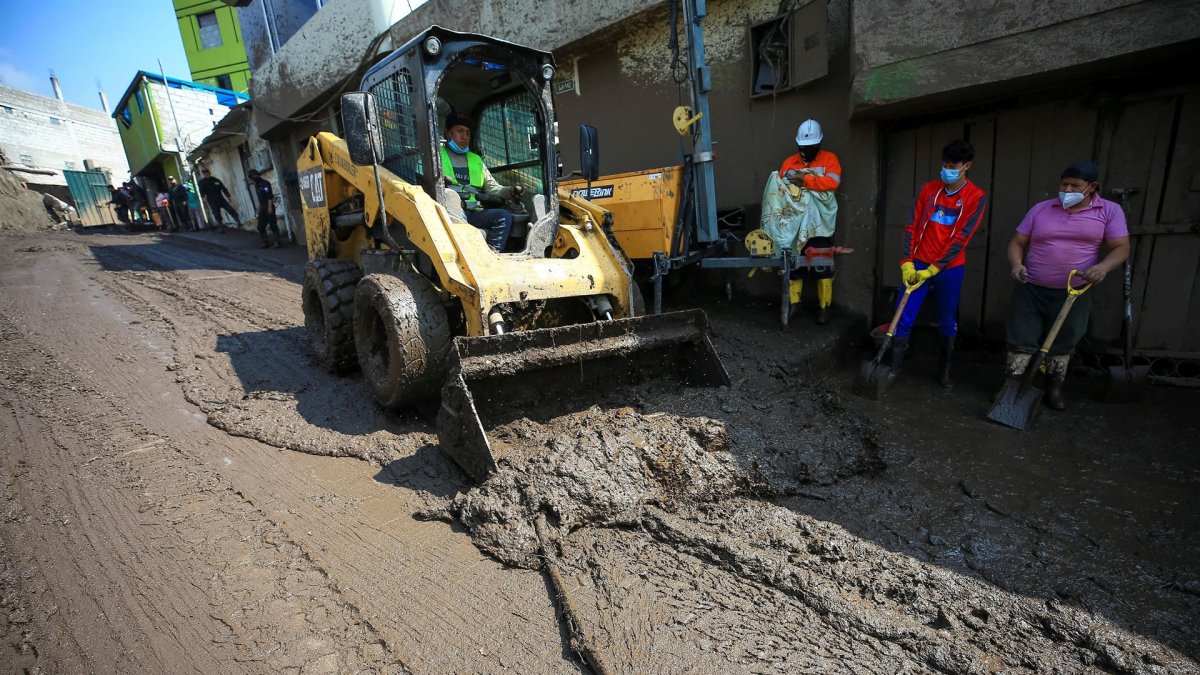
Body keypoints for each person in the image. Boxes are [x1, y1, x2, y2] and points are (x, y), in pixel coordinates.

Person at [1004, 160, 1129, 410]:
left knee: (1064, 341)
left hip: (1075, 291)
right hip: (1032, 287)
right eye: (1064, 184)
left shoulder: (1109, 211)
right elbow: (1017, 242)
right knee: (1021, 338)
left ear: (1092, 187)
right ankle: (1011, 389)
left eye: (1075, 185)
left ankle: (1054, 389)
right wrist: (1017, 265)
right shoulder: (1041, 209)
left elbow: (1121, 248)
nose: (1068, 189)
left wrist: (1103, 268)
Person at [892, 139, 989, 387]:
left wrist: (937, 267)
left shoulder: (976, 197)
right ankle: (893, 368)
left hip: (949, 268)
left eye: (953, 165)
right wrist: (907, 262)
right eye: (944, 165)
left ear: (967, 166)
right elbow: (912, 226)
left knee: (947, 318)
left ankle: (943, 372)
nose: (947, 170)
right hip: (918, 263)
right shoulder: (929, 190)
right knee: (903, 315)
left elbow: (962, 237)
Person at [761, 119, 842, 324]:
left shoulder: (830, 160)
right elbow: (779, 192)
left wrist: (804, 180)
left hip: (820, 223)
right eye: (803, 147)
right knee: (793, 262)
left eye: (810, 147)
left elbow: (832, 182)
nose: (806, 151)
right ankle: (794, 305)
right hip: (794, 223)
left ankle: (825, 308)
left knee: (822, 262)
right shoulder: (789, 163)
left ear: (819, 144)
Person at [440, 111, 525, 250]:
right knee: (458, 218)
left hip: (475, 212)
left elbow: (493, 188)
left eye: (468, 133)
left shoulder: (476, 160)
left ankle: (493, 254)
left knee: (503, 216)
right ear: (448, 133)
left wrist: (510, 190)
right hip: (449, 212)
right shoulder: (435, 156)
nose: (464, 136)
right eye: (460, 131)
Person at [198, 168, 240, 233]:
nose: (206, 174)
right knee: (216, 214)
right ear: (203, 174)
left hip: (220, 198)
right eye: (204, 173)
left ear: (209, 172)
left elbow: (223, 188)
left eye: (207, 172)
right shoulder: (202, 182)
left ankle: (238, 222)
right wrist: (204, 199)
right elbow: (201, 191)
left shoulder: (216, 180)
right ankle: (221, 228)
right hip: (212, 200)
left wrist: (228, 196)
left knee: (230, 209)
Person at [248, 169, 282, 248]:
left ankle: (277, 242)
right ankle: (265, 242)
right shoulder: (256, 185)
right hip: (262, 207)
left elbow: (269, 196)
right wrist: (259, 208)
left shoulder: (265, 183)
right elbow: (260, 198)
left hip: (268, 206)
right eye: (252, 177)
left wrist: (270, 208)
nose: (253, 178)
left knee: (273, 225)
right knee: (260, 226)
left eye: (254, 176)